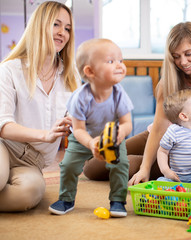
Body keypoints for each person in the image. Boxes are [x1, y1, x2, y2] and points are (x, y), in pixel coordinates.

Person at [82, 21, 191, 185]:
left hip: (182, 155)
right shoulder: (169, 82)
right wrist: (145, 168)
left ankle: (141, 163)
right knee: (92, 167)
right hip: (157, 137)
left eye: (188, 54)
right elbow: (159, 129)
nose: (183, 62)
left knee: (129, 166)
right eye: (176, 56)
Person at [0, 1, 79, 212]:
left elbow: (79, 122)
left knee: (31, 191)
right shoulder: (9, 70)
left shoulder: (72, 77)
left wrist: (81, 125)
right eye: (56, 24)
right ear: (39, 25)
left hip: (32, 161)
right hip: (5, 145)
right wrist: (46, 134)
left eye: (68, 28)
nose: (63, 33)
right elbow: (3, 125)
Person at [48, 38, 133, 217]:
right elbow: (78, 129)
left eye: (121, 60)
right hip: (82, 138)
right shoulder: (80, 97)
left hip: (112, 138)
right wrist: (90, 143)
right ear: (90, 71)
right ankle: (66, 199)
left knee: (121, 164)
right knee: (68, 165)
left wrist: (120, 134)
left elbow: (127, 124)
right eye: (111, 61)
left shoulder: (119, 94)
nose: (119, 65)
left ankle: (118, 200)